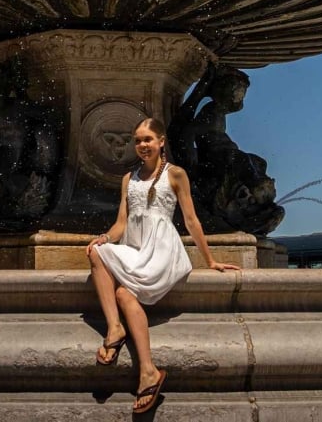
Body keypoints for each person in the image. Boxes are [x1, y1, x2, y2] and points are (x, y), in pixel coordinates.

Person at [86, 117, 240, 415]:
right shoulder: (128, 179)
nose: (142, 145)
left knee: (123, 293)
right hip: (136, 248)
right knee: (99, 257)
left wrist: (210, 260)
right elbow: (121, 224)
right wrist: (103, 238)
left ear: (161, 142)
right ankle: (123, 339)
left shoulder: (176, 174)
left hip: (162, 251)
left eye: (147, 140)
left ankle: (140, 362)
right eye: (137, 140)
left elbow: (191, 220)